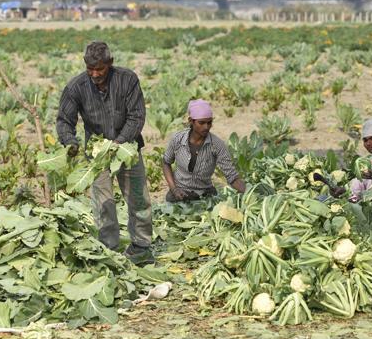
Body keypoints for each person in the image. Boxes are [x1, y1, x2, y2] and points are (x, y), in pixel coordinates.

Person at [56, 41, 153, 265]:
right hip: (97, 153)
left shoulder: (127, 79)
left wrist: (118, 143)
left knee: (138, 198)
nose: (95, 74)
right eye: (90, 69)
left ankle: (141, 247)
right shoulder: (76, 87)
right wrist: (69, 142)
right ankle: (108, 248)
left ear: (110, 63)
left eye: (100, 68)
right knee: (103, 203)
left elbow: (137, 116)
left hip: (127, 148)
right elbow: (64, 121)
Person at [163, 99, 246, 202]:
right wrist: (174, 189)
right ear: (191, 121)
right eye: (201, 123)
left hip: (205, 194)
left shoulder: (217, 144)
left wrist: (249, 193)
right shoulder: (178, 138)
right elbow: (166, 162)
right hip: (180, 193)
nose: (206, 127)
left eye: (209, 122)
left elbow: (232, 177)